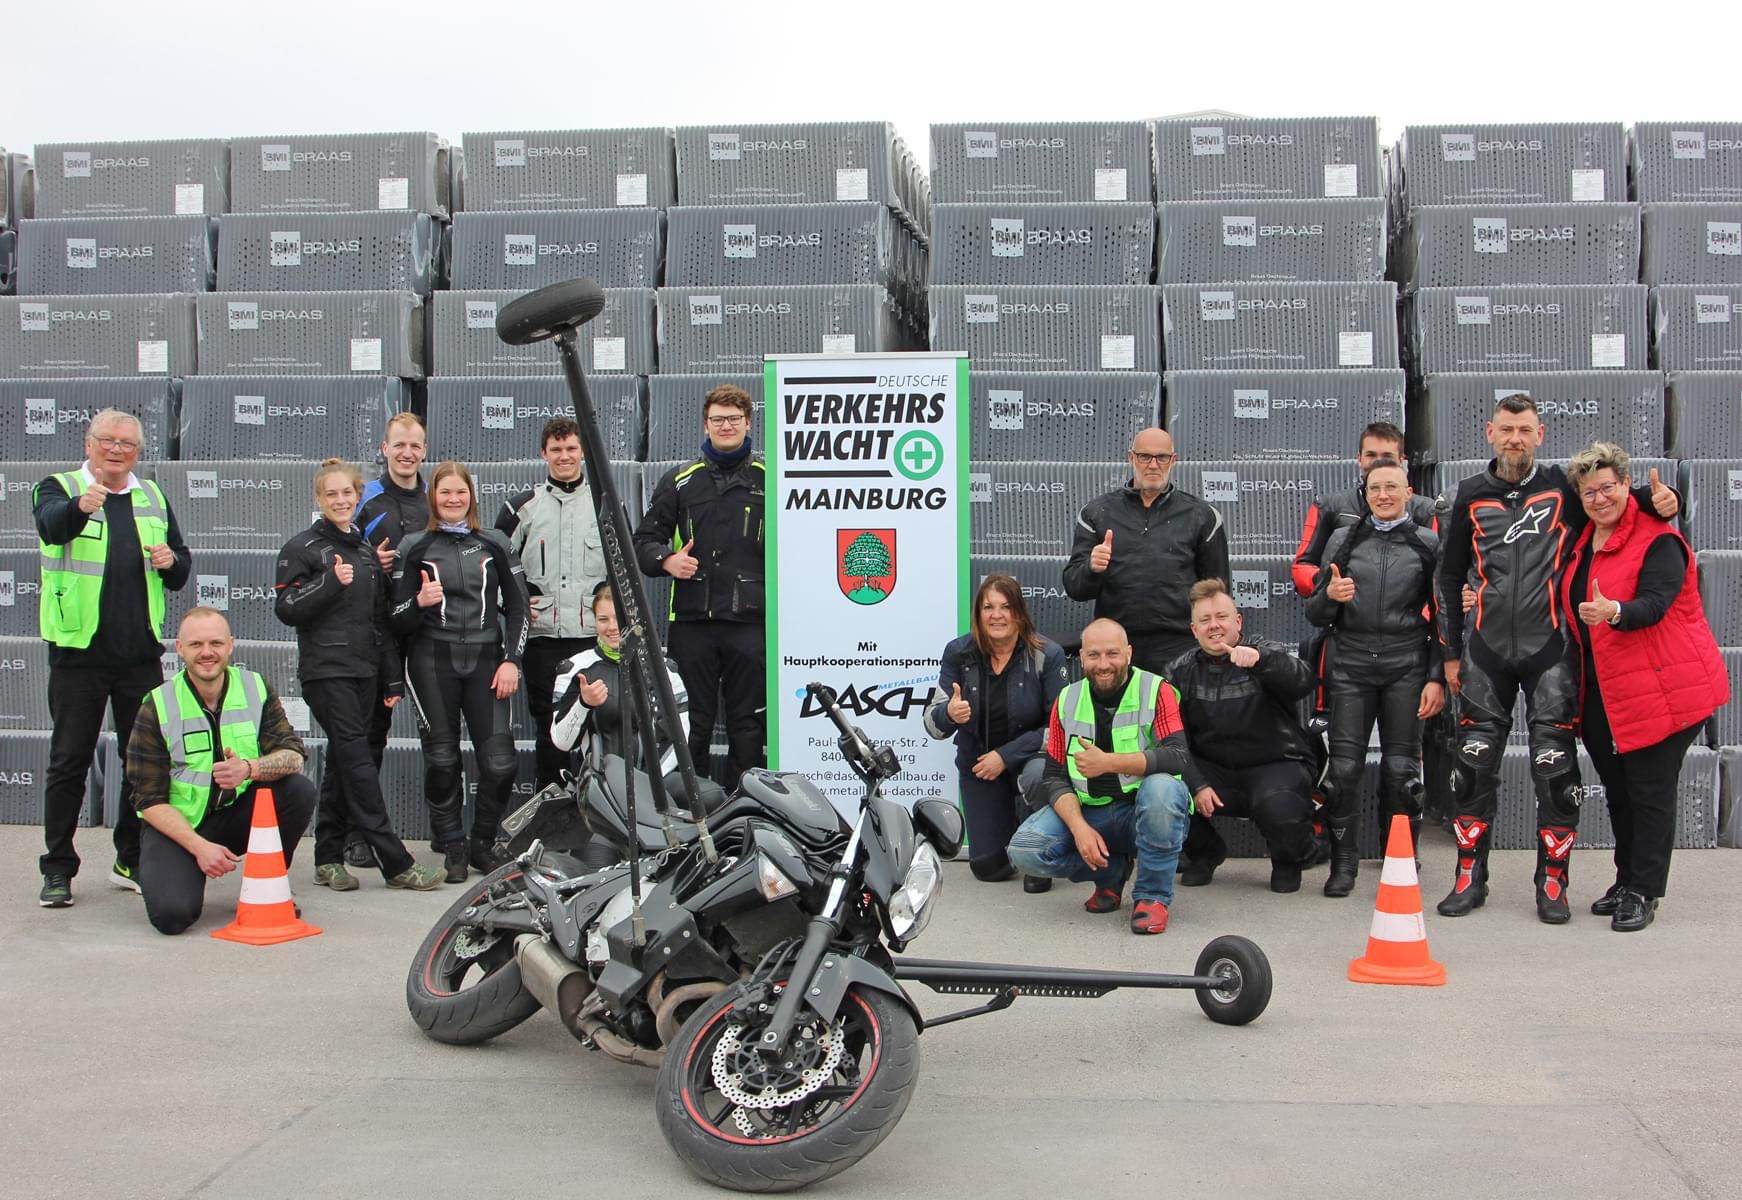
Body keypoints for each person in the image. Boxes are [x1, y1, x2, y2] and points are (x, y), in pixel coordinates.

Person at [1435, 394, 1679, 923]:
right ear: (1490, 432)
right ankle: (1468, 877)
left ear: (1540, 434)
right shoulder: (1468, 494)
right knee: (1472, 767)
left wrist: (1666, 498)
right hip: (1485, 651)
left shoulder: (1564, 487)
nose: (1515, 439)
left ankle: (1553, 882)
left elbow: (1616, 498)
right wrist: (1450, 654)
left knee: (1555, 771)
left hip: (1552, 649)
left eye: (1525, 429)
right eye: (1507, 429)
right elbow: (1448, 577)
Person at [1557, 443, 1729, 932]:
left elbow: (1654, 604)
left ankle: (1645, 890)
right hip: (1606, 689)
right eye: (1589, 492)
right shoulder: (1582, 536)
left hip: (1665, 686)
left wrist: (1614, 612)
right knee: (1619, 790)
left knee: (1650, 792)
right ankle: (1626, 879)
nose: (1599, 498)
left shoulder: (1659, 541)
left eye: (1608, 488)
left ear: (1626, 485)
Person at [33, 409, 192, 908]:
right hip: (78, 653)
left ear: (138, 452)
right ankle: (58, 868)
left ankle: (130, 859)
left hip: (138, 655)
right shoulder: (59, 487)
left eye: (128, 443)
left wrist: (171, 562)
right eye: (108, 440)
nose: (117, 450)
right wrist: (81, 505)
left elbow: (181, 568)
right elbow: (51, 528)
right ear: (89, 443)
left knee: (141, 763)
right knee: (69, 762)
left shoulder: (152, 496)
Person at [274, 459, 443, 892]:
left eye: (346, 493)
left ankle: (327, 859)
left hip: (366, 672)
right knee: (358, 762)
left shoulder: (366, 551)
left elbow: (379, 622)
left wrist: (391, 679)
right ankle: (396, 863)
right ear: (319, 498)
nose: (340, 500)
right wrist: (329, 582)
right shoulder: (301, 547)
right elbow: (287, 609)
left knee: (344, 762)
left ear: (357, 496)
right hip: (326, 672)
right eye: (331, 494)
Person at [127, 608, 318, 935]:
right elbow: (147, 800)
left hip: (235, 815)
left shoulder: (254, 688)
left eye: (215, 643)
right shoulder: (157, 705)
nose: (207, 652)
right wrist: (199, 847)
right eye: (196, 644)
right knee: (172, 917)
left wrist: (249, 768)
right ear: (180, 648)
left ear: (230, 645)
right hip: (181, 825)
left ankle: (266, 883)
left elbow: (293, 755)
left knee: (298, 790)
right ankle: (181, 869)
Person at [1305, 459, 1444, 896]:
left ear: (1408, 493)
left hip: (1407, 664)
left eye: (1392, 487)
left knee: (1402, 771)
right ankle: (1343, 865)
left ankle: (1398, 859)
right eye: (1375, 488)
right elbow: (1315, 614)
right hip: (1351, 664)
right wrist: (1330, 595)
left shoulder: (1427, 542)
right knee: (1344, 770)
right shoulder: (1343, 539)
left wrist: (1436, 677)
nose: (1384, 495)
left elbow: (1444, 619)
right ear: (1365, 495)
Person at [1005, 618, 1196, 934]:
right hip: (1091, 813)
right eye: (1094, 655)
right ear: (1082, 657)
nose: (1103, 664)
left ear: (1129, 653)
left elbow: (1177, 756)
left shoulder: (1156, 690)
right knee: (1024, 852)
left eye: (1112, 653)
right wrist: (1079, 828)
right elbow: (1053, 776)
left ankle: (1151, 897)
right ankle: (1110, 872)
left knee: (1163, 789)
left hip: (1142, 812)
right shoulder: (1067, 700)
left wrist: (1109, 763)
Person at [391, 461, 530, 882]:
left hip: (487, 661)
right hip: (431, 660)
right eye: (445, 492)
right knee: (442, 759)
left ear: (472, 496)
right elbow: (395, 617)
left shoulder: (495, 542)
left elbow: (520, 608)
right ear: (432, 498)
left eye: (461, 492)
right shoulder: (414, 545)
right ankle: (452, 843)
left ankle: (481, 842)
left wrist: (512, 660)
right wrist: (419, 602)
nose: (453, 499)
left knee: (501, 762)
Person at [634, 382, 766, 787]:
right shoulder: (679, 480)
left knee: (748, 725)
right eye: (717, 419)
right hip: (693, 623)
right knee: (692, 723)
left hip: (752, 623)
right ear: (705, 425)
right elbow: (643, 542)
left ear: (748, 422)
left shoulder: (772, 479)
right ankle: (693, 811)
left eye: (734, 419)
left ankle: (748, 807)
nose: (726, 426)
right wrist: (667, 560)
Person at [1169, 579, 1324, 893]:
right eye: (1205, 620)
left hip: (1275, 763)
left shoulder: (1265, 650)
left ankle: (1290, 858)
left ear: (1238, 621)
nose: (1214, 626)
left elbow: (1304, 681)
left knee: (1281, 810)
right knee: (1162, 786)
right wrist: (1197, 784)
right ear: (1194, 630)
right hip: (1213, 771)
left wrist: (1261, 661)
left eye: (1221, 617)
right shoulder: (1178, 670)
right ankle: (1206, 853)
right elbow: (1173, 740)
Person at [923, 574, 1071, 891]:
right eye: (988, 607)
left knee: (1038, 775)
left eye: (1005, 607)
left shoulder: (1048, 654)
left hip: (1032, 759)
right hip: (980, 767)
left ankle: (1040, 851)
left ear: (1019, 612)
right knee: (988, 868)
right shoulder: (957, 652)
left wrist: (1005, 756)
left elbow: (1061, 728)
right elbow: (931, 724)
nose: (997, 615)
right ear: (978, 613)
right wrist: (949, 714)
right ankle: (1012, 833)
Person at [495, 416, 606, 791]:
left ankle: (598, 808)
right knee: (550, 729)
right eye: (556, 449)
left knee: (596, 726)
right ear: (543, 453)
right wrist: (513, 607)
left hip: (592, 639)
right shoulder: (522, 508)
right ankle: (553, 807)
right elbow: (493, 567)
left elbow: (622, 571)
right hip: (542, 639)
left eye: (571, 448)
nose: (564, 456)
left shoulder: (605, 505)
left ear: (583, 451)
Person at [1062, 427, 1229, 672]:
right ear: (1131, 458)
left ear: (1173, 460)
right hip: (1118, 645)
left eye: (1161, 457)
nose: (1153, 465)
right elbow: (1074, 587)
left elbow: (1218, 591)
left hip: (1180, 645)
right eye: (1144, 457)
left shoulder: (1202, 516)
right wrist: (1091, 568)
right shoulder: (1096, 513)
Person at [349, 411, 431, 868]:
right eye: (399, 444)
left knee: (436, 734)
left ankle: (446, 837)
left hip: (424, 631)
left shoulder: (434, 499)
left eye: (415, 445)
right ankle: (357, 835)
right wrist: (369, 562)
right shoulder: (365, 498)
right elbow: (337, 553)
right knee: (368, 737)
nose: (406, 453)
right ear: (384, 448)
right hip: (375, 633)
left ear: (424, 451)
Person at [1291, 421, 1438, 597]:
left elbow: (1442, 576)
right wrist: (1328, 584)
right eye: (1371, 455)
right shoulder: (1328, 506)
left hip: (1408, 612)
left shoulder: (1426, 510)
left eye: (1387, 456)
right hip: (1346, 610)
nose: (1378, 462)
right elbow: (1302, 568)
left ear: (1401, 460)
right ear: (1359, 458)